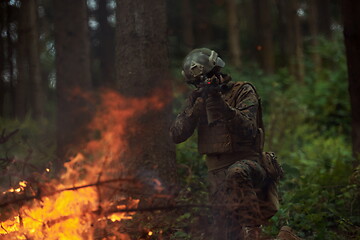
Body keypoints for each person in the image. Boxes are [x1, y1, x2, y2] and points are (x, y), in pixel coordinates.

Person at [170, 48, 281, 240]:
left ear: (217, 71)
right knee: (226, 234)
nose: (202, 84)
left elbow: (249, 129)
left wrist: (223, 108)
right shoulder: (196, 99)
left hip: (249, 165)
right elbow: (177, 135)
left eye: (207, 78)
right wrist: (196, 108)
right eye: (197, 82)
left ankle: (252, 232)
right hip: (216, 176)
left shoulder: (242, 90)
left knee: (237, 172)